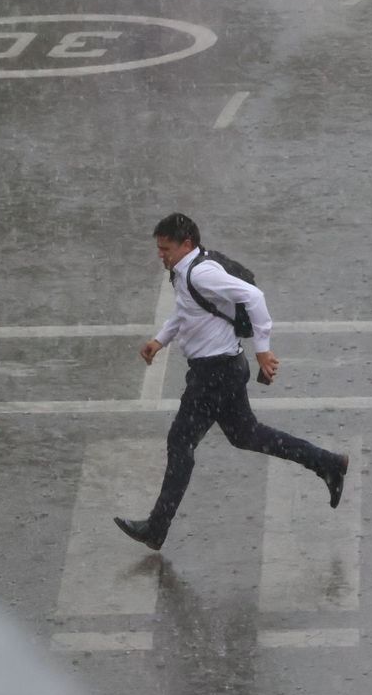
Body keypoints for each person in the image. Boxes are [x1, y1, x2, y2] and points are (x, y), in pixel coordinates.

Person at [114, 213, 348, 551]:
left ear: (187, 244)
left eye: (166, 249)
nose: (160, 255)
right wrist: (160, 340)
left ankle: (156, 527)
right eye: (159, 249)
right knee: (247, 435)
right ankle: (328, 463)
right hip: (222, 369)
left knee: (181, 442)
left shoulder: (203, 273)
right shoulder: (183, 273)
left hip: (214, 374)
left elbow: (254, 296)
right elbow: (185, 311)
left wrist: (263, 351)